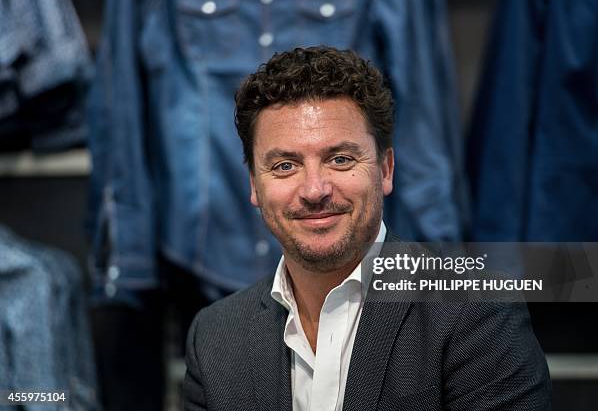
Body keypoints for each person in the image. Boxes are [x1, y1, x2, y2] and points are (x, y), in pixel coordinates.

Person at [183, 46, 551, 411]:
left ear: (386, 169)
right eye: (284, 166)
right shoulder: (215, 336)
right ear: (254, 185)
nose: (314, 190)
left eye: (340, 159)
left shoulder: (476, 310)